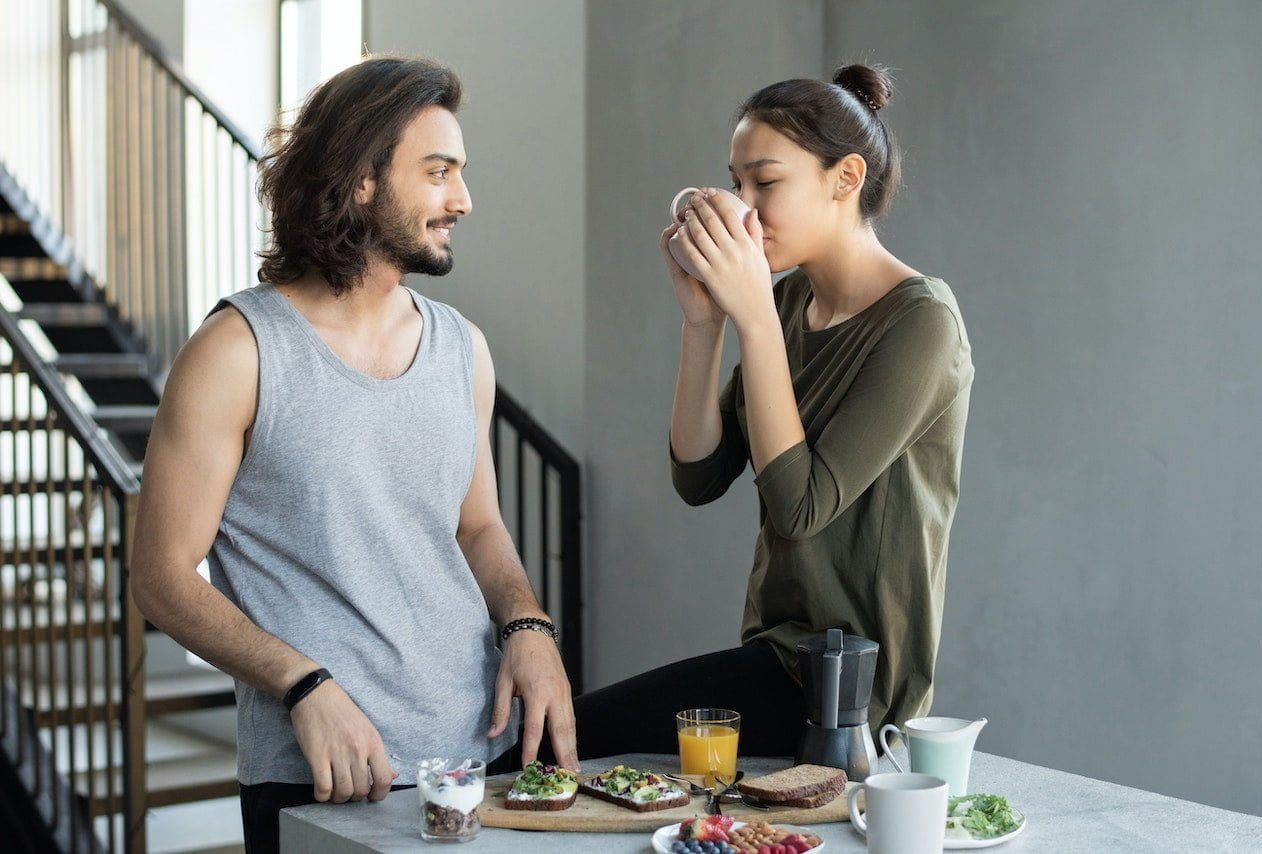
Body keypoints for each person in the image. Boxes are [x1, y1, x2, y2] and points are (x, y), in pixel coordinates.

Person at [130, 56, 576, 853]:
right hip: (321, 771)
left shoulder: (461, 349)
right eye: (438, 173)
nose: (462, 200)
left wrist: (528, 626)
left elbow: (477, 529)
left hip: (483, 761)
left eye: (460, 173)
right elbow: (162, 576)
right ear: (361, 181)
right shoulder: (238, 351)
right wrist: (303, 684)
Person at [573, 63, 974, 760]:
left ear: (845, 180)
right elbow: (697, 477)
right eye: (736, 182)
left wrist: (753, 316)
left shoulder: (922, 324)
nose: (744, 206)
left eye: (767, 182)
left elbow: (801, 506)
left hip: (849, 686)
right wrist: (705, 324)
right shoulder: (789, 305)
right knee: (574, 747)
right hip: (778, 655)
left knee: (568, 734)